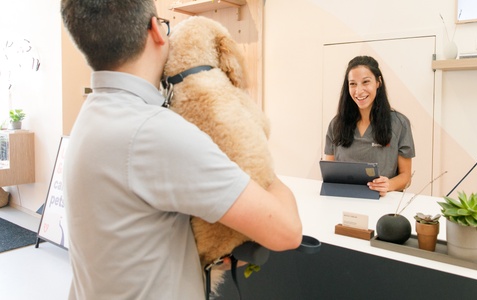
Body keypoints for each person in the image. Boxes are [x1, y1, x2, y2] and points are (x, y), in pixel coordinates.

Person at [60, 1, 302, 299]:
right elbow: (286, 232)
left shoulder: (91, 116)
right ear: (156, 30)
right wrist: (259, 158)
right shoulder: (154, 131)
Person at [324, 55, 415, 197]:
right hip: (343, 202)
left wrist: (388, 185)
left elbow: (405, 177)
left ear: (378, 82)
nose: (358, 91)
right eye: (353, 84)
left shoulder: (399, 124)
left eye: (365, 82)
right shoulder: (336, 125)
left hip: (382, 203)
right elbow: (329, 175)